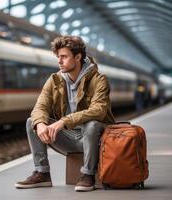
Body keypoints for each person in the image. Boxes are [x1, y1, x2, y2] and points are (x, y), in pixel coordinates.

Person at [15, 35, 115, 192]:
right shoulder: (54, 80)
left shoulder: (99, 80)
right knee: (32, 121)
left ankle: (88, 175)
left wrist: (64, 121)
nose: (59, 61)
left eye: (64, 57)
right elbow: (39, 106)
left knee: (92, 125)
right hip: (68, 138)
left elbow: (99, 110)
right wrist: (40, 124)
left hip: (95, 140)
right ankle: (42, 173)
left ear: (78, 57)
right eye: (58, 57)